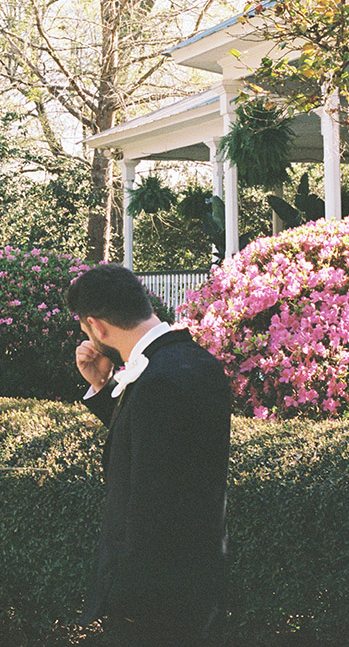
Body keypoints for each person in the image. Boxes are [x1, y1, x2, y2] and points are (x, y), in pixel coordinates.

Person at [67, 264, 231, 646]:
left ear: (98, 327)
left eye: (85, 330)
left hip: (159, 603)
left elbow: (152, 502)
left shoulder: (159, 382)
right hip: (199, 584)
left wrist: (126, 598)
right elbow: (159, 445)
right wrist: (103, 388)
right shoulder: (193, 362)